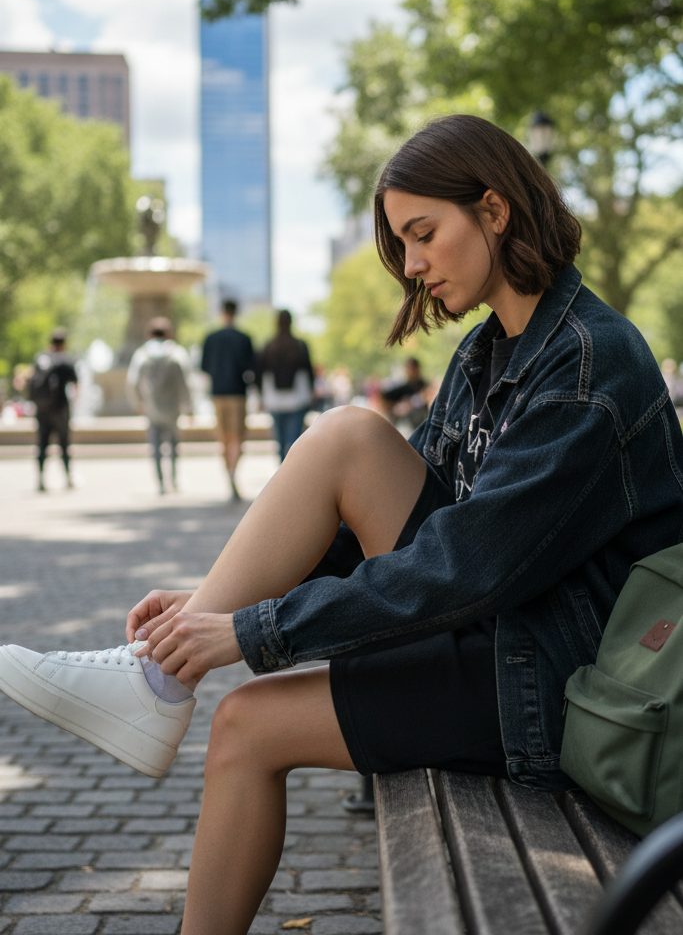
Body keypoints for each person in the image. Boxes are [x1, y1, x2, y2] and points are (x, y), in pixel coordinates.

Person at [2, 114, 683, 935]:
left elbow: (466, 565)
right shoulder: (487, 352)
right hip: (500, 638)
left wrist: (251, 631)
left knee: (255, 699)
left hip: (561, 686)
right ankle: (158, 673)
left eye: (422, 235)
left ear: (495, 211)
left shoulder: (585, 363)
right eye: (401, 245)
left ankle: (153, 681)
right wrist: (212, 610)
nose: (412, 265)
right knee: (343, 449)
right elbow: (390, 523)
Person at [127, 318, 193, 495]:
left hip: (152, 407)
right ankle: (173, 478)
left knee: (155, 445)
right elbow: (186, 382)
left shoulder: (142, 354)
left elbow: (132, 381)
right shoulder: (177, 353)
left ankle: (160, 482)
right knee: (173, 444)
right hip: (172, 407)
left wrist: (138, 402)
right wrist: (189, 407)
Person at [201, 300, 255, 500]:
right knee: (237, 438)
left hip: (218, 394)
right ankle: (233, 471)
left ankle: (228, 473)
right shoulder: (244, 338)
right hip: (238, 394)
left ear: (221, 312)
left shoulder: (211, 338)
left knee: (223, 437)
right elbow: (251, 368)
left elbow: (204, 367)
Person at [256, 310, 314, 461]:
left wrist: (260, 396)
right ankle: (293, 471)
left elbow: (259, 373)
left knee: (280, 441)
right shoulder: (300, 345)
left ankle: (284, 472)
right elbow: (309, 371)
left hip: (275, 400)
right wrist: (312, 391)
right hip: (297, 400)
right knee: (295, 439)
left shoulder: (269, 346)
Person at [28, 328, 78, 492]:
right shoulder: (65, 361)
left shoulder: (40, 359)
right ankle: (68, 478)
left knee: (42, 444)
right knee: (64, 444)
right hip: (60, 409)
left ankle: (41, 480)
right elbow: (75, 386)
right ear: (64, 343)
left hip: (42, 410)